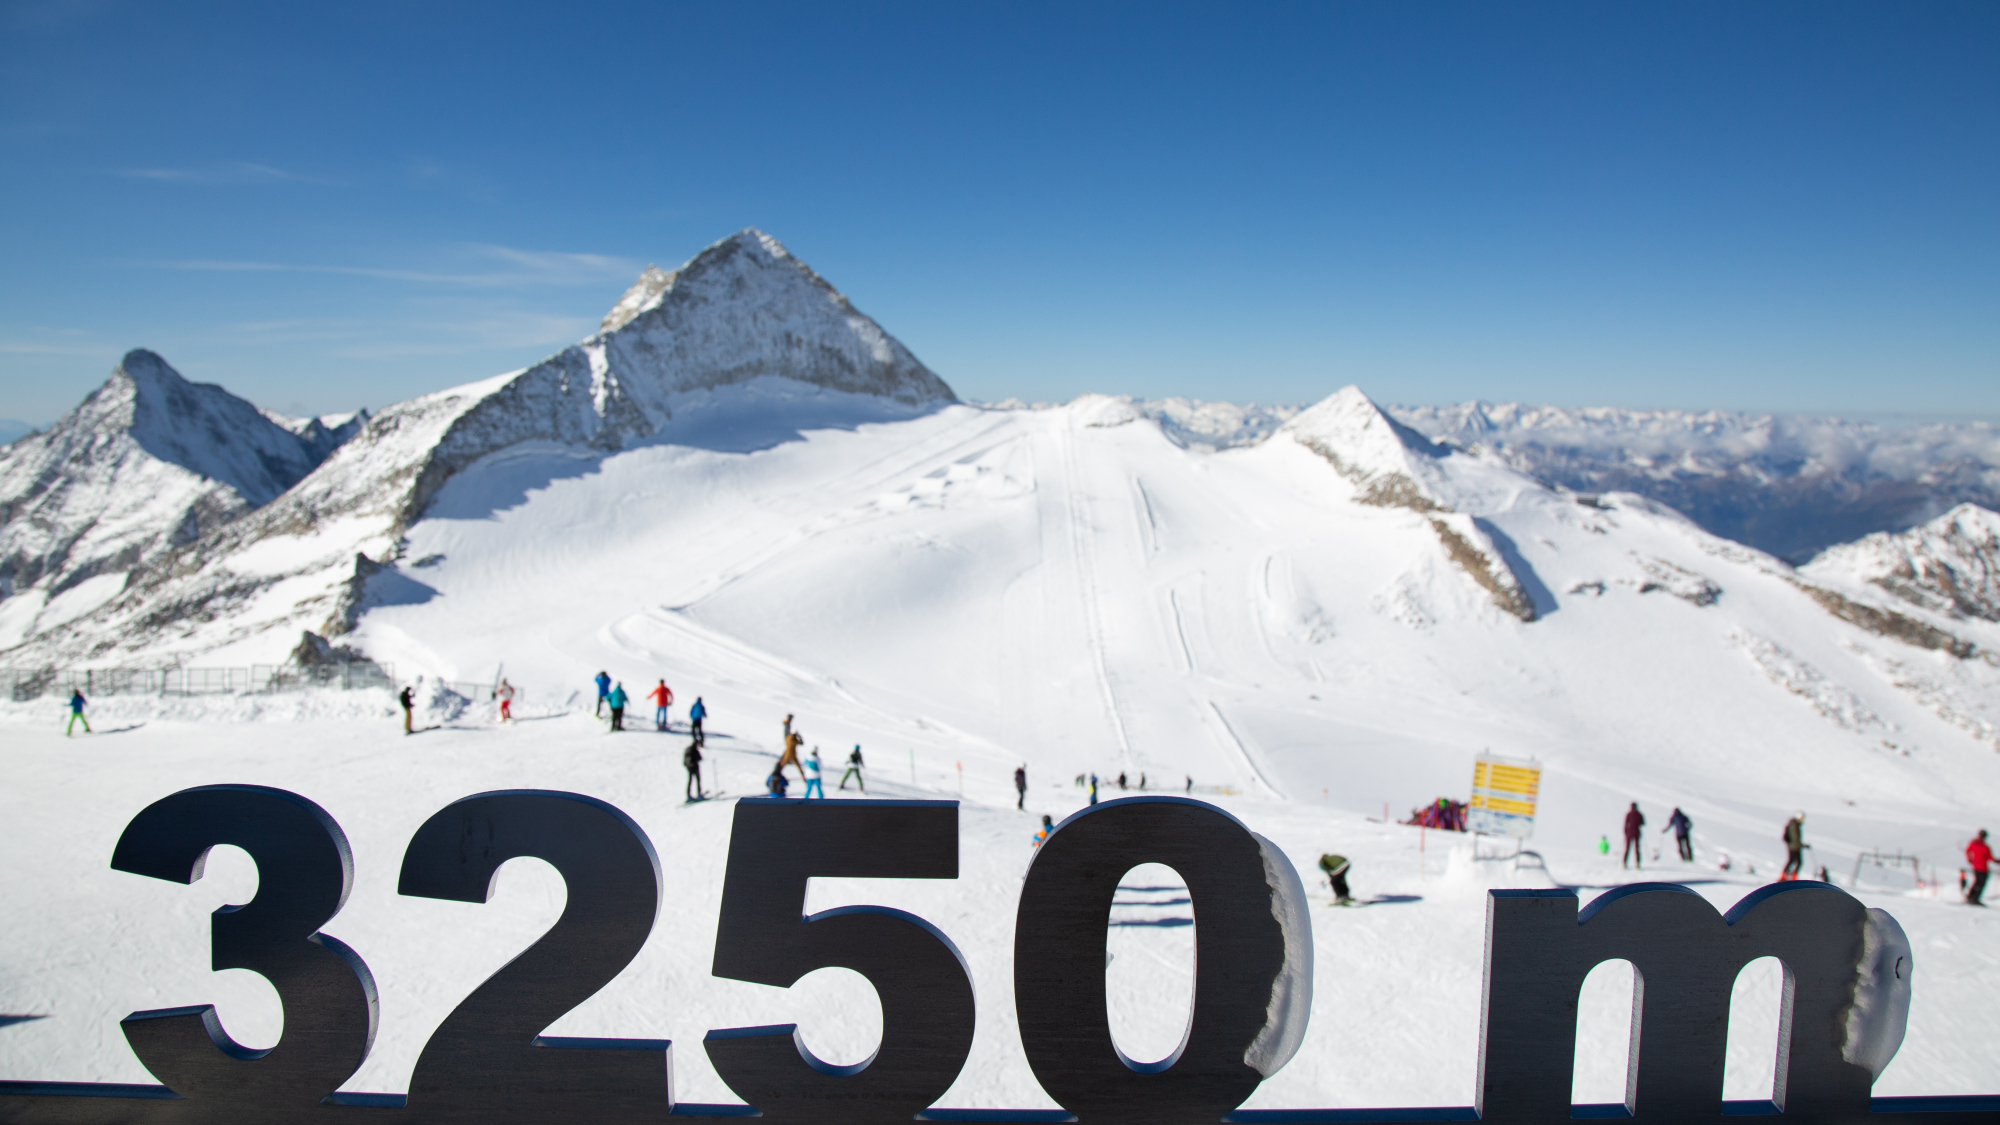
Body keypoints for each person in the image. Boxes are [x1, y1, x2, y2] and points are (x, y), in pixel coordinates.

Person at [1965, 829, 1992, 906]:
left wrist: (1970, 859)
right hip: (1982, 868)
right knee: (1981, 883)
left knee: (1977, 882)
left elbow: (1967, 851)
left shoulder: (1974, 843)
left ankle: (1971, 897)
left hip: (1977, 866)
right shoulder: (1984, 846)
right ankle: (1974, 898)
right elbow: (1990, 857)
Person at [1782, 813, 1807, 880]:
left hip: (1793, 846)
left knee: (1792, 861)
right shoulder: (1794, 826)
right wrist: (1803, 845)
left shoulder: (1793, 824)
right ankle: (1792, 877)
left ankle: (1785, 875)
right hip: (1794, 847)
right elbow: (1795, 838)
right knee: (1798, 862)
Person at [1622, 803, 1645, 869]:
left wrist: (1625, 833)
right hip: (1637, 833)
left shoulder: (1628, 814)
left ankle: (1624, 863)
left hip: (1629, 833)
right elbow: (1643, 823)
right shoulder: (1639, 814)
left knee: (1627, 848)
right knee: (1637, 849)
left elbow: (1626, 824)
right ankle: (1638, 863)